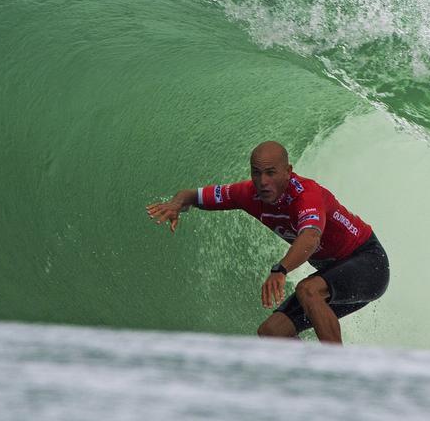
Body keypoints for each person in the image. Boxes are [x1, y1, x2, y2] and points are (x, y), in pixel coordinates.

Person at [145, 141, 389, 344]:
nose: (263, 182)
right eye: (256, 173)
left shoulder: (306, 194)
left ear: (288, 171)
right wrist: (177, 203)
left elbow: (311, 237)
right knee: (272, 333)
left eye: (271, 172)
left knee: (308, 289)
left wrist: (281, 269)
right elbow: (193, 196)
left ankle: (338, 376)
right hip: (334, 274)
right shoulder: (248, 193)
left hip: (368, 263)